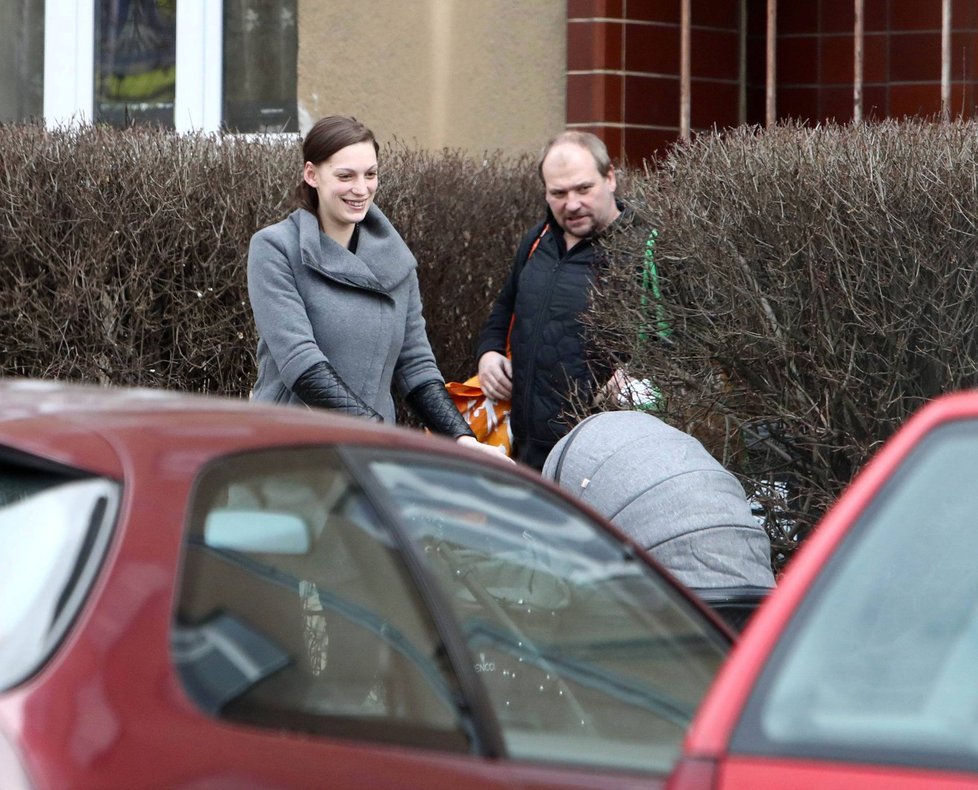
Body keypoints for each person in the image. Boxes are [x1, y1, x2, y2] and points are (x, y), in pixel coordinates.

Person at [248, 115, 507, 461]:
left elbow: (416, 367)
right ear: (312, 175)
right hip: (290, 452)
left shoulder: (396, 261)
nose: (361, 188)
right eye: (345, 176)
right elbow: (301, 362)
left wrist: (462, 438)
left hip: (367, 458)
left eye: (370, 174)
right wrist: (374, 430)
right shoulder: (275, 248)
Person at [476, 130, 634, 469]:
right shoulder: (537, 241)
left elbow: (683, 346)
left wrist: (637, 375)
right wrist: (488, 353)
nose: (572, 204)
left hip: (603, 459)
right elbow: (505, 310)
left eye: (583, 188)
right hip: (526, 451)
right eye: (558, 193)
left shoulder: (645, 249)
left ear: (610, 178)